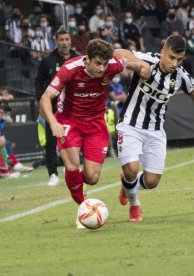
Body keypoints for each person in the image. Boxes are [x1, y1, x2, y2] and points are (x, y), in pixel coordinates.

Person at [39, 38, 149, 227]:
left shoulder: (111, 67)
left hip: (96, 124)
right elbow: (45, 98)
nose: (101, 68)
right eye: (97, 63)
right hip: (69, 121)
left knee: (92, 177)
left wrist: (141, 66)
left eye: (104, 64)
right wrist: (53, 122)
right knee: (72, 165)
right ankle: (84, 208)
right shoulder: (69, 69)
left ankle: (74, 183)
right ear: (87, 59)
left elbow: (126, 59)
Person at [113, 35, 194, 222]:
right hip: (130, 125)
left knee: (151, 182)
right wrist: (139, 64)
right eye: (171, 57)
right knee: (131, 168)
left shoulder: (181, 77)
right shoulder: (148, 60)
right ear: (163, 52)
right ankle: (134, 205)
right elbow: (117, 52)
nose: (174, 63)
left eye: (179, 59)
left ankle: (128, 185)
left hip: (155, 131)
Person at [35, 29, 79, 186]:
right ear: (56, 41)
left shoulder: (78, 58)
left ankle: (71, 167)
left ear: (70, 41)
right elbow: (38, 82)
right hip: (53, 107)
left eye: (67, 39)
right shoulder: (47, 61)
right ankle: (52, 173)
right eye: (61, 39)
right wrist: (41, 101)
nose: (64, 42)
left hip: (74, 105)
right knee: (51, 140)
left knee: (73, 138)